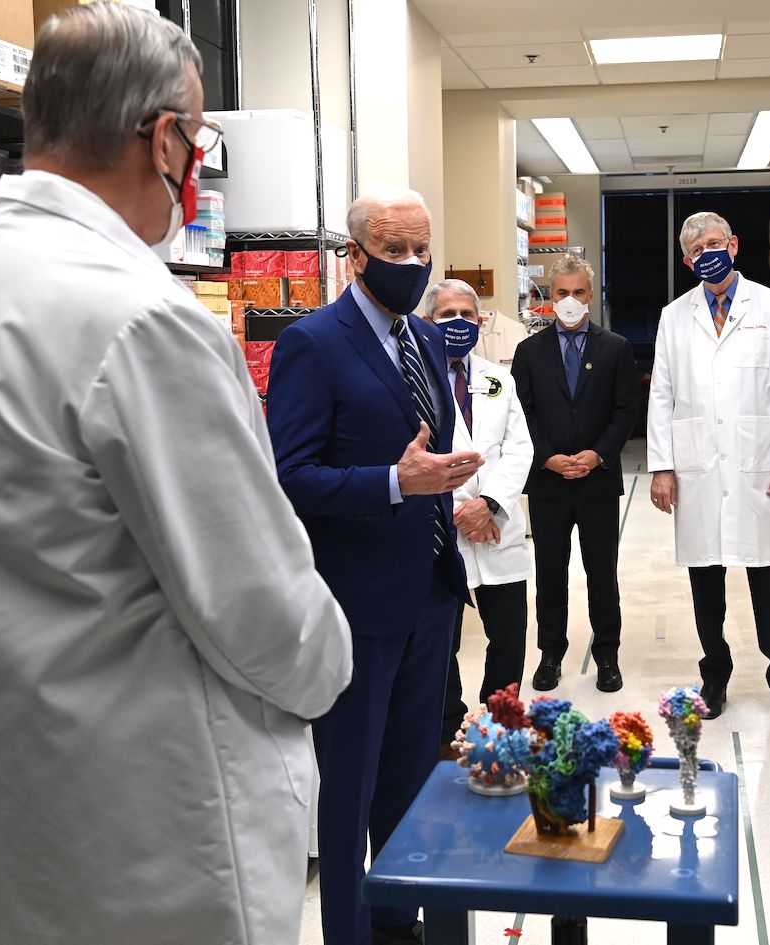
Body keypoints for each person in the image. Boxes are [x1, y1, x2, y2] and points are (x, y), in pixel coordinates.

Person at [0, 7, 353, 945]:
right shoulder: (138, 315)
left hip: (29, 812)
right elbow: (263, 609)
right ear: (164, 140)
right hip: (164, 836)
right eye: (198, 138)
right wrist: (332, 661)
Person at [266, 189, 482, 945]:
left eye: (423, 250)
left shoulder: (424, 338)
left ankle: (399, 922)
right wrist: (395, 483)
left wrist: (443, 478)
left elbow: (424, 447)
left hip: (430, 594)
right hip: (356, 607)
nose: (414, 265)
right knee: (351, 791)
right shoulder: (313, 344)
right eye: (395, 252)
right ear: (354, 256)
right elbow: (288, 476)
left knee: (409, 783)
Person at [647, 211, 770, 731]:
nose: (707, 254)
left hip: (758, 466)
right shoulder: (674, 316)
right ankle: (714, 675)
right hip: (699, 469)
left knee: (767, 582)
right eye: (697, 251)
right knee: (706, 583)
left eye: (715, 244)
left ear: (735, 246)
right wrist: (663, 467)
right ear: (685, 260)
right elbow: (662, 397)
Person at [512, 255, 639, 693]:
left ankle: (607, 655)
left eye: (578, 293)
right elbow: (522, 413)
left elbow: (625, 411)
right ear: (551, 296)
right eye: (561, 292)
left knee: (602, 571)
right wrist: (545, 457)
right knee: (550, 572)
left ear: (591, 295)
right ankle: (550, 654)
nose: (570, 301)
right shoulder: (529, 352)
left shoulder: (616, 348)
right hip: (548, 482)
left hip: (597, 480)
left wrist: (598, 454)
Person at [421, 279, 534, 752]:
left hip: (496, 523)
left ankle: (499, 721)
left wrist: (488, 505)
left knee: (508, 633)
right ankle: (446, 727)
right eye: (448, 314)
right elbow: (416, 459)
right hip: (442, 526)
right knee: (442, 639)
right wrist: (458, 511)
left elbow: (519, 447)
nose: (460, 323)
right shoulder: (414, 384)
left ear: (481, 320)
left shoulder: (497, 378)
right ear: (428, 322)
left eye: (468, 314)